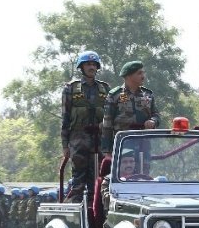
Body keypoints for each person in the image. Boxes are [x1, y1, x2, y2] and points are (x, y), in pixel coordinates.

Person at [61, 51, 110, 203]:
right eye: (88, 64)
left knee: (97, 182)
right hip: (78, 140)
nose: (91, 67)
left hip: (99, 141)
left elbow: (110, 116)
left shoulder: (105, 89)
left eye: (94, 64)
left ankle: (95, 217)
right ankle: (76, 218)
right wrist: (65, 145)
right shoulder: (70, 89)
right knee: (78, 182)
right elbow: (66, 118)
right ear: (81, 67)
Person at [100, 60, 161, 155]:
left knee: (143, 170)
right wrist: (107, 150)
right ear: (128, 76)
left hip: (144, 144)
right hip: (123, 144)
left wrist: (153, 121)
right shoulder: (115, 95)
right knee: (126, 169)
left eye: (143, 73)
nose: (143, 76)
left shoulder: (148, 94)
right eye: (139, 73)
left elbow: (156, 115)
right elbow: (107, 123)